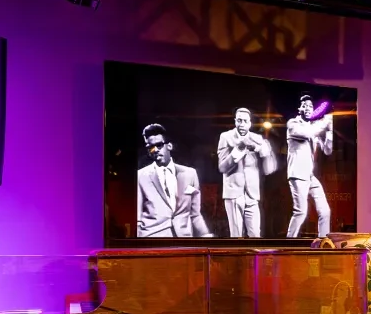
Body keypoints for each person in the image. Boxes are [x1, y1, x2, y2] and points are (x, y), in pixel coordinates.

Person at [136, 123, 211, 237]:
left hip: (183, 241)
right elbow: (137, 218)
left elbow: (195, 215)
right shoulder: (141, 176)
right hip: (152, 240)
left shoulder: (190, 174)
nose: (154, 150)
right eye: (150, 147)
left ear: (169, 146)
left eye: (159, 145)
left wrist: (206, 236)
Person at [217, 108, 277, 238]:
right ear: (235, 122)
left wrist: (264, 151)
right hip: (233, 193)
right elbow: (222, 167)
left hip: (252, 194)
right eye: (239, 121)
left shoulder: (257, 139)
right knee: (236, 236)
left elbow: (269, 170)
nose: (241, 124)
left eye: (245, 121)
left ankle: (255, 259)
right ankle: (237, 259)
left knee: (255, 235)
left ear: (250, 123)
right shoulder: (226, 137)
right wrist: (239, 149)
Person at [286, 95, 333, 238]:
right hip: (298, 175)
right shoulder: (293, 124)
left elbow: (328, 150)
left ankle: (323, 241)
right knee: (301, 212)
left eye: (310, 106)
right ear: (299, 108)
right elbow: (308, 133)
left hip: (310, 176)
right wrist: (325, 121)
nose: (308, 108)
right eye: (305, 105)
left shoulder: (313, 128)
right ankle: (289, 241)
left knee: (325, 211)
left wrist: (329, 132)